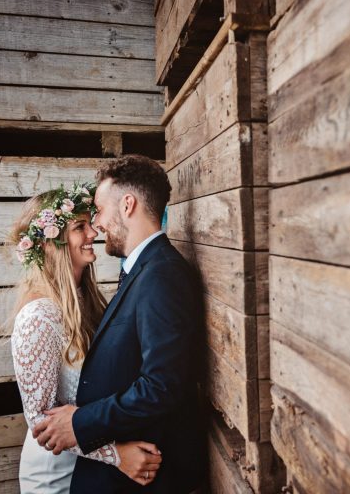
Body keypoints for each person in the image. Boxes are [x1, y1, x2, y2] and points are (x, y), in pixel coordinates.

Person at [32, 155, 206, 493]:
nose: (97, 225)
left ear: (128, 205)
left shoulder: (162, 274)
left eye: (99, 210)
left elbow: (161, 386)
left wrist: (80, 422)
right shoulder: (142, 271)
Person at [8, 183, 163, 493]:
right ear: (52, 242)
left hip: (90, 472)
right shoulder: (38, 317)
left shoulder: (87, 300)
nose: (93, 232)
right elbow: (40, 422)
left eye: (90, 223)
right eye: (80, 227)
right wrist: (116, 455)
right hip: (56, 476)